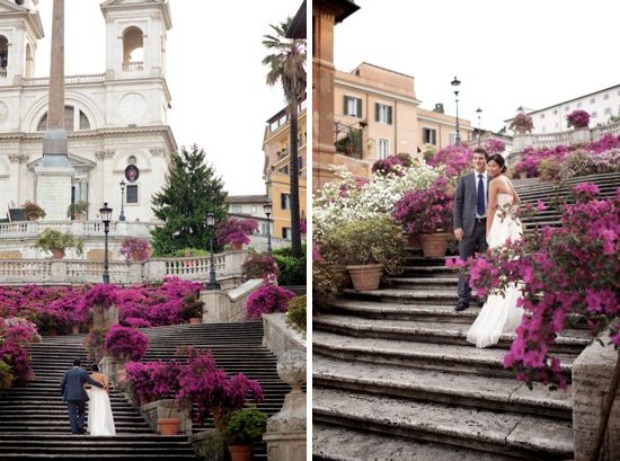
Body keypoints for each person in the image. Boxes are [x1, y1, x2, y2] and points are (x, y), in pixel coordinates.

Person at [466, 154, 524, 348]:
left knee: (501, 270)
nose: (490, 169)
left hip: (500, 226)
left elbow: (491, 207)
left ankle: (499, 316)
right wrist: (510, 215)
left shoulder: (493, 183)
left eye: (493, 166)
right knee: (510, 269)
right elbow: (518, 201)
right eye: (488, 166)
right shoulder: (506, 180)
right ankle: (511, 315)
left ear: (500, 167)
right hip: (511, 225)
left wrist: (490, 231)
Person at [453, 147, 489, 312]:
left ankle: (482, 295)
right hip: (467, 227)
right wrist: (457, 226)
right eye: (475, 158)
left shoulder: (492, 180)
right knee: (465, 264)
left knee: (484, 263)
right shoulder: (465, 179)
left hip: (486, 227)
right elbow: (458, 204)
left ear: (486, 161)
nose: (478, 161)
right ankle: (463, 298)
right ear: (472, 160)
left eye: (481, 158)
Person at [60, 359, 104, 434]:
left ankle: (74, 430)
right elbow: (90, 381)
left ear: (72, 365)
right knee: (82, 412)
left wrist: (63, 393)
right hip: (81, 395)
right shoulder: (83, 372)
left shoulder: (68, 372)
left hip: (70, 396)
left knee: (72, 413)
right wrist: (100, 385)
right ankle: (80, 426)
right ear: (80, 365)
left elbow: (62, 384)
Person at [85, 363, 116, 436]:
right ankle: (103, 426)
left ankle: (94, 426)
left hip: (94, 394)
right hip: (102, 395)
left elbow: (85, 385)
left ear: (92, 369)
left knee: (94, 410)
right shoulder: (103, 376)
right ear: (98, 369)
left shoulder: (90, 376)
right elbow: (106, 386)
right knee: (102, 411)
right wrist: (107, 394)